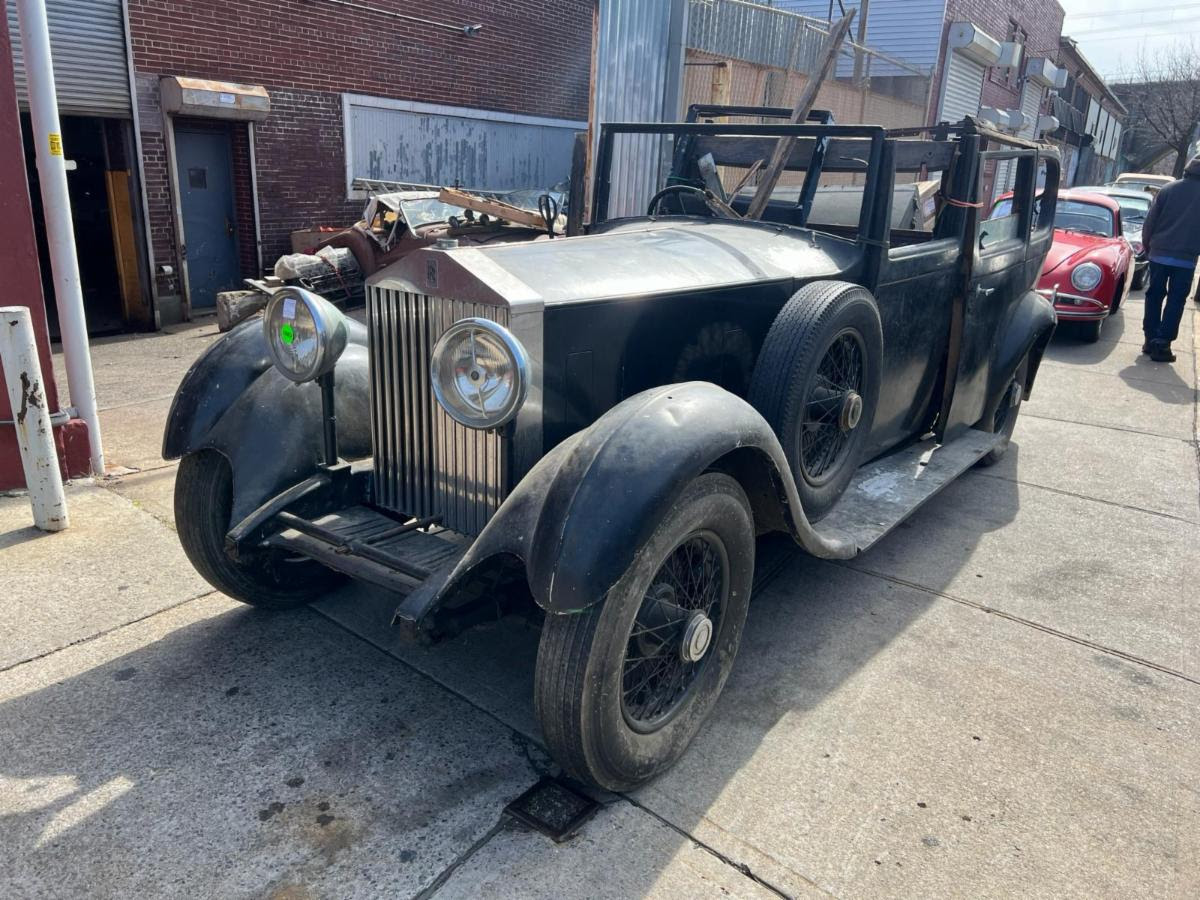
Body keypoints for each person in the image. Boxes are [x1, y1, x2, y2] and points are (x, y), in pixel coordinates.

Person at [1140, 156, 1200, 362]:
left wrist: (1148, 246)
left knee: (1154, 295)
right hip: (1186, 258)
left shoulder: (1168, 190)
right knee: (1176, 300)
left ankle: (1149, 337)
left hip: (1158, 253)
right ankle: (1163, 342)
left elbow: (1150, 222)